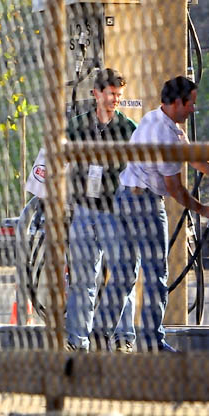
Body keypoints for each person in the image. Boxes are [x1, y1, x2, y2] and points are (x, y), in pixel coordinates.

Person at [105, 76, 209, 352]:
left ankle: (96, 336)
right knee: (155, 273)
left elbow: (191, 156)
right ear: (178, 102)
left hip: (124, 198)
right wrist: (204, 210)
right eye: (190, 103)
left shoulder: (156, 120)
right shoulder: (165, 135)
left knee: (122, 274)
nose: (193, 108)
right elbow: (175, 189)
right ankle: (152, 342)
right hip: (144, 204)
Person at [64, 68, 138, 352]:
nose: (115, 100)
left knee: (121, 276)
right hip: (84, 208)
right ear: (96, 93)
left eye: (119, 95)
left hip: (114, 210)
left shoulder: (128, 129)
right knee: (82, 279)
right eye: (111, 94)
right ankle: (77, 340)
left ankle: (123, 337)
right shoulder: (77, 125)